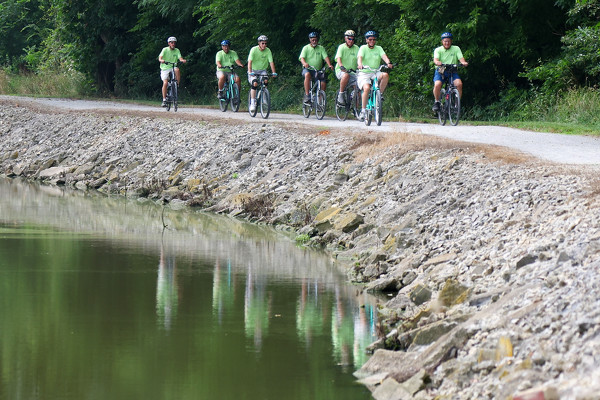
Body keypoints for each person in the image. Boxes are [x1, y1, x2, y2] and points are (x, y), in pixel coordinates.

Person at [357, 31, 393, 121]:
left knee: (385, 75)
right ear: (366, 40)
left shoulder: (379, 48)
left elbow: (384, 56)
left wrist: (388, 63)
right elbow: (359, 58)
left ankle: (379, 95)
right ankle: (363, 111)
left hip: (375, 72)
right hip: (364, 73)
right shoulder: (363, 48)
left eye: (374, 39)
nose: (372, 41)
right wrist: (360, 65)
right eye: (370, 39)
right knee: (366, 88)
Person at [432, 32, 468, 112]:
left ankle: (456, 104)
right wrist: (437, 62)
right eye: (445, 41)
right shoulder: (438, 50)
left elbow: (461, 58)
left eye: (448, 41)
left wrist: (463, 62)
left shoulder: (456, 48)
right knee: (437, 84)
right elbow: (436, 59)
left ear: (451, 41)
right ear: (442, 41)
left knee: (459, 84)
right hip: (441, 70)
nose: (447, 43)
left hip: (452, 71)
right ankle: (437, 102)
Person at [299, 32, 334, 105]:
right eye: (313, 40)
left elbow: (325, 57)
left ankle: (320, 101)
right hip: (308, 69)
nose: (314, 41)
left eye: (316, 40)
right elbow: (302, 58)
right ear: (310, 40)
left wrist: (329, 64)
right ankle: (307, 95)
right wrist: (305, 63)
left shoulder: (321, 48)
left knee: (323, 82)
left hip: (317, 70)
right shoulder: (306, 48)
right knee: (307, 75)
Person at [247, 35, 277, 112]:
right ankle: (252, 102)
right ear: (259, 43)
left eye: (265, 43)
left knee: (265, 81)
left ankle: (264, 98)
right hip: (253, 70)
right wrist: (250, 72)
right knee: (255, 83)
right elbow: (249, 62)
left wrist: (274, 72)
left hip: (262, 70)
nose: (264, 45)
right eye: (262, 43)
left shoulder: (268, 50)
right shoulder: (254, 50)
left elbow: (271, 62)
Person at [158, 36, 187, 107]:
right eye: (171, 42)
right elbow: (160, 58)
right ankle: (164, 100)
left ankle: (177, 84)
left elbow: (180, 57)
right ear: (169, 43)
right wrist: (162, 60)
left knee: (177, 70)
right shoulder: (165, 49)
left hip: (173, 66)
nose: (173, 44)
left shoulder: (177, 50)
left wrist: (182, 60)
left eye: (174, 43)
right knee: (165, 83)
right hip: (165, 67)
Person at [334, 30, 359, 105]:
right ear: (345, 38)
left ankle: (356, 108)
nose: (351, 41)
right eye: (349, 39)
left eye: (352, 39)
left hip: (353, 72)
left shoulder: (356, 48)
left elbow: (360, 59)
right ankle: (341, 95)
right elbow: (338, 58)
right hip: (341, 71)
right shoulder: (341, 47)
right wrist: (341, 66)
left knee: (359, 88)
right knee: (346, 75)